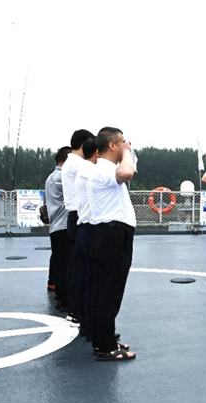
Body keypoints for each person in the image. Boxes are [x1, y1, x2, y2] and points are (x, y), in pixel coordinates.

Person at [86, 127, 136, 361]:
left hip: (110, 234)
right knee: (109, 293)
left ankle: (104, 340)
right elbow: (127, 172)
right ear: (113, 145)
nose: (126, 145)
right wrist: (127, 153)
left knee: (105, 291)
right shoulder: (104, 169)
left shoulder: (105, 170)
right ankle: (106, 347)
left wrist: (126, 154)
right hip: (113, 234)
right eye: (122, 142)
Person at [61, 129, 95, 325]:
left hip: (73, 216)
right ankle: (78, 311)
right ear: (84, 145)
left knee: (75, 266)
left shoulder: (69, 163)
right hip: (79, 216)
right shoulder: (79, 164)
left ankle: (74, 309)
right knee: (81, 268)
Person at [73, 137, 98, 339]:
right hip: (90, 228)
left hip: (82, 227)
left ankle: (85, 323)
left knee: (84, 277)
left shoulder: (82, 169)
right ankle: (91, 326)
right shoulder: (92, 171)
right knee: (93, 280)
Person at [45, 146, 71, 310]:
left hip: (55, 225)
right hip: (64, 225)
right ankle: (64, 299)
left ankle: (58, 293)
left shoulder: (50, 178)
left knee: (59, 262)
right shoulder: (64, 177)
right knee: (66, 265)